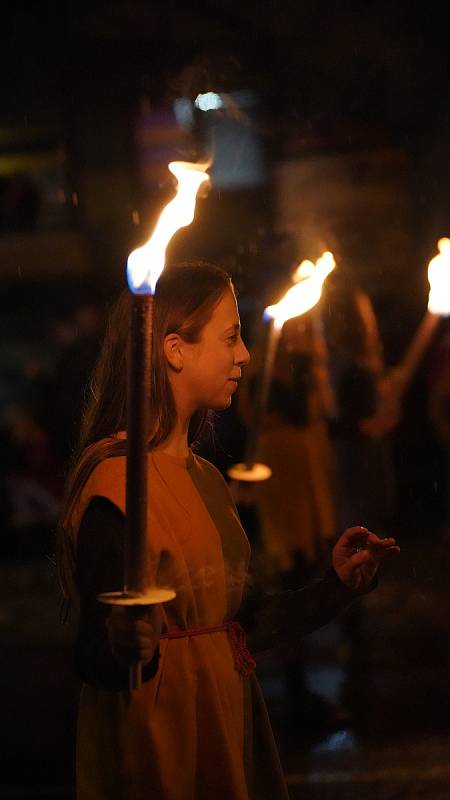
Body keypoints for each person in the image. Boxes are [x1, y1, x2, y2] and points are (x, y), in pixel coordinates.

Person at [57, 261, 399, 800]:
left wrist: (335, 585)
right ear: (174, 349)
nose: (245, 355)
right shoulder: (116, 483)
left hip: (223, 723)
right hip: (159, 743)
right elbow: (96, 653)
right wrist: (122, 642)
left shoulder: (206, 477)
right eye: (231, 336)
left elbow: (241, 627)